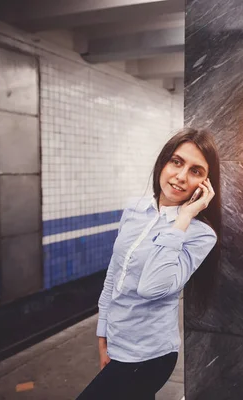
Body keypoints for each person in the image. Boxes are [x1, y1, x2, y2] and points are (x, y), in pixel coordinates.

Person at [77, 128, 221, 400]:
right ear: (163, 162)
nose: (180, 176)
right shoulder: (134, 209)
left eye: (195, 171)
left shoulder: (201, 234)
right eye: (176, 162)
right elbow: (113, 275)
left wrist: (185, 216)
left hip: (149, 356)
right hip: (117, 343)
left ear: (205, 185)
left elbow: (152, 287)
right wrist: (103, 333)